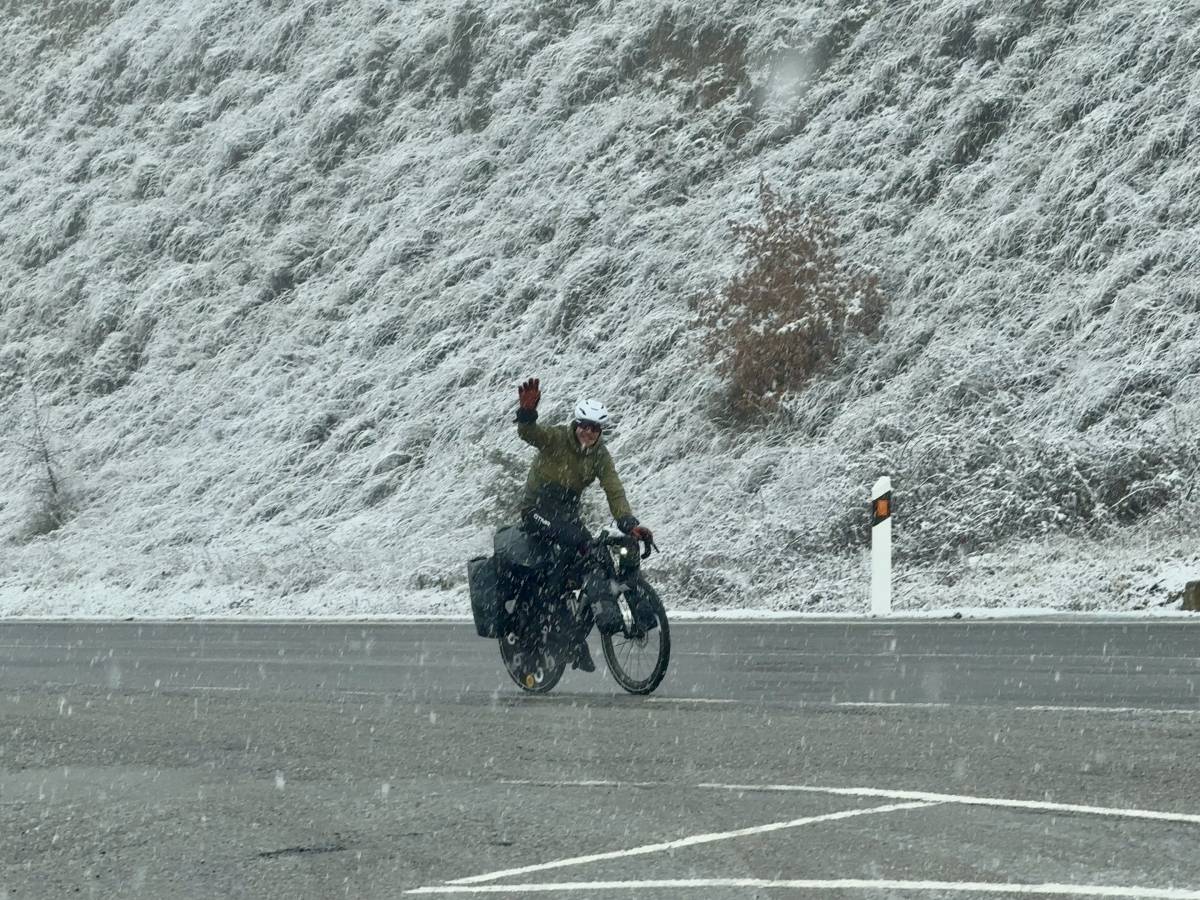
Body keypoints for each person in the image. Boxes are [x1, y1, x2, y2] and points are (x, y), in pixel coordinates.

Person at [512, 377, 653, 672]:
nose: (588, 432)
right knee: (579, 544)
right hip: (537, 510)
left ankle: (573, 632)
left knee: (595, 557)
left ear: (600, 432)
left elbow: (614, 489)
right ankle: (548, 622)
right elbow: (529, 433)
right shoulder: (555, 438)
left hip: (567, 514)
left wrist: (629, 523)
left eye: (594, 428)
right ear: (575, 424)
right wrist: (527, 413)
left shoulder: (599, 455)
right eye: (584, 426)